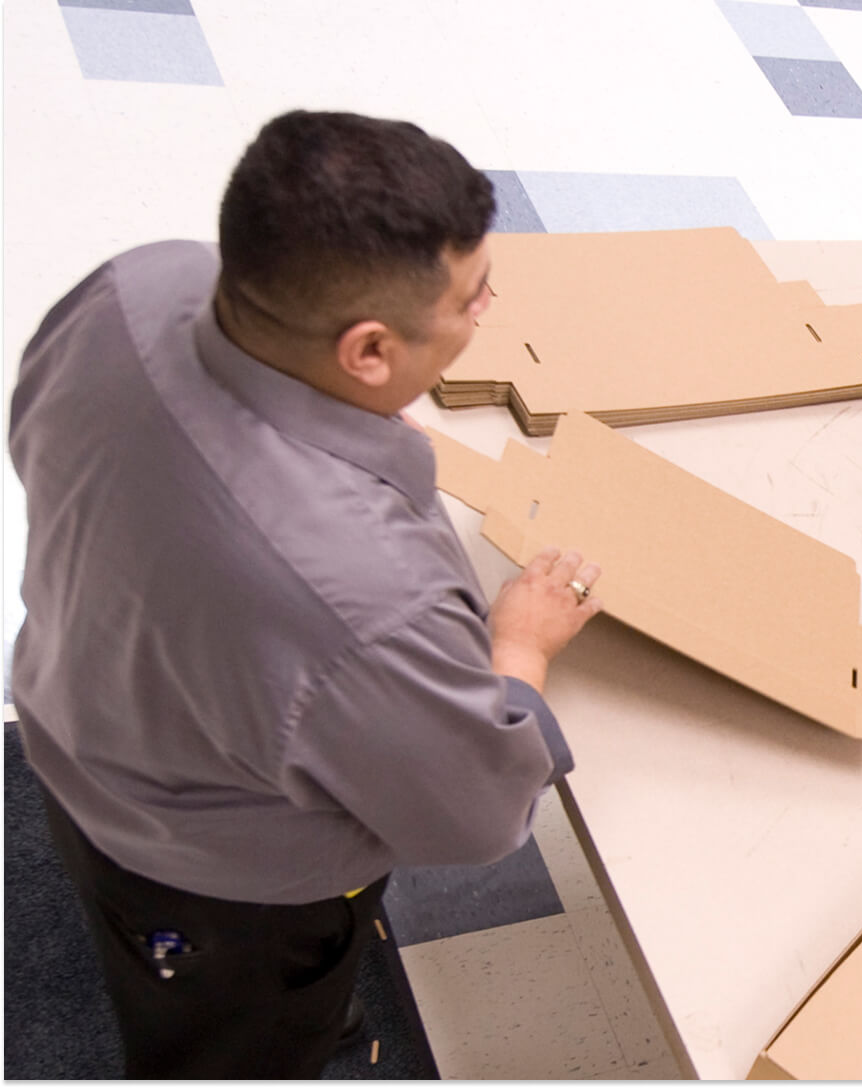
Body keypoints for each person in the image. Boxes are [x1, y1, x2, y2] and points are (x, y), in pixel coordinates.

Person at [9, 110, 603, 1078]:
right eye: (472, 294)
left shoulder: (130, 286)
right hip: (221, 894)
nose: (486, 307)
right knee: (236, 1046)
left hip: (76, 725)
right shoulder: (367, 598)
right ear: (368, 349)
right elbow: (474, 816)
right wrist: (521, 648)